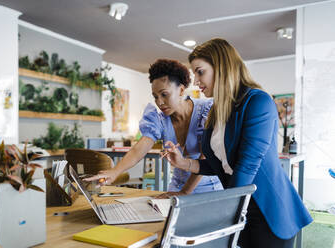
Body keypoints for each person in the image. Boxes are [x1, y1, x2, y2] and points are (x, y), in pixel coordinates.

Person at [162, 38, 312, 248]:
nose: (196, 81)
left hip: (268, 211)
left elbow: (248, 164)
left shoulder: (258, 101)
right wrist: (183, 163)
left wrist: (222, 211)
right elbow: (220, 165)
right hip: (242, 205)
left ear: (222, 67)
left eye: (200, 72)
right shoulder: (217, 111)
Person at [85, 59, 223, 197]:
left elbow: (206, 157)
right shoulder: (158, 119)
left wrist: (185, 192)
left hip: (209, 188)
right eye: (155, 97)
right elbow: (138, 149)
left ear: (181, 90)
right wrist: (115, 171)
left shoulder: (207, 111)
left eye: (164, 94)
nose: (159, 102)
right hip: (177, 187)